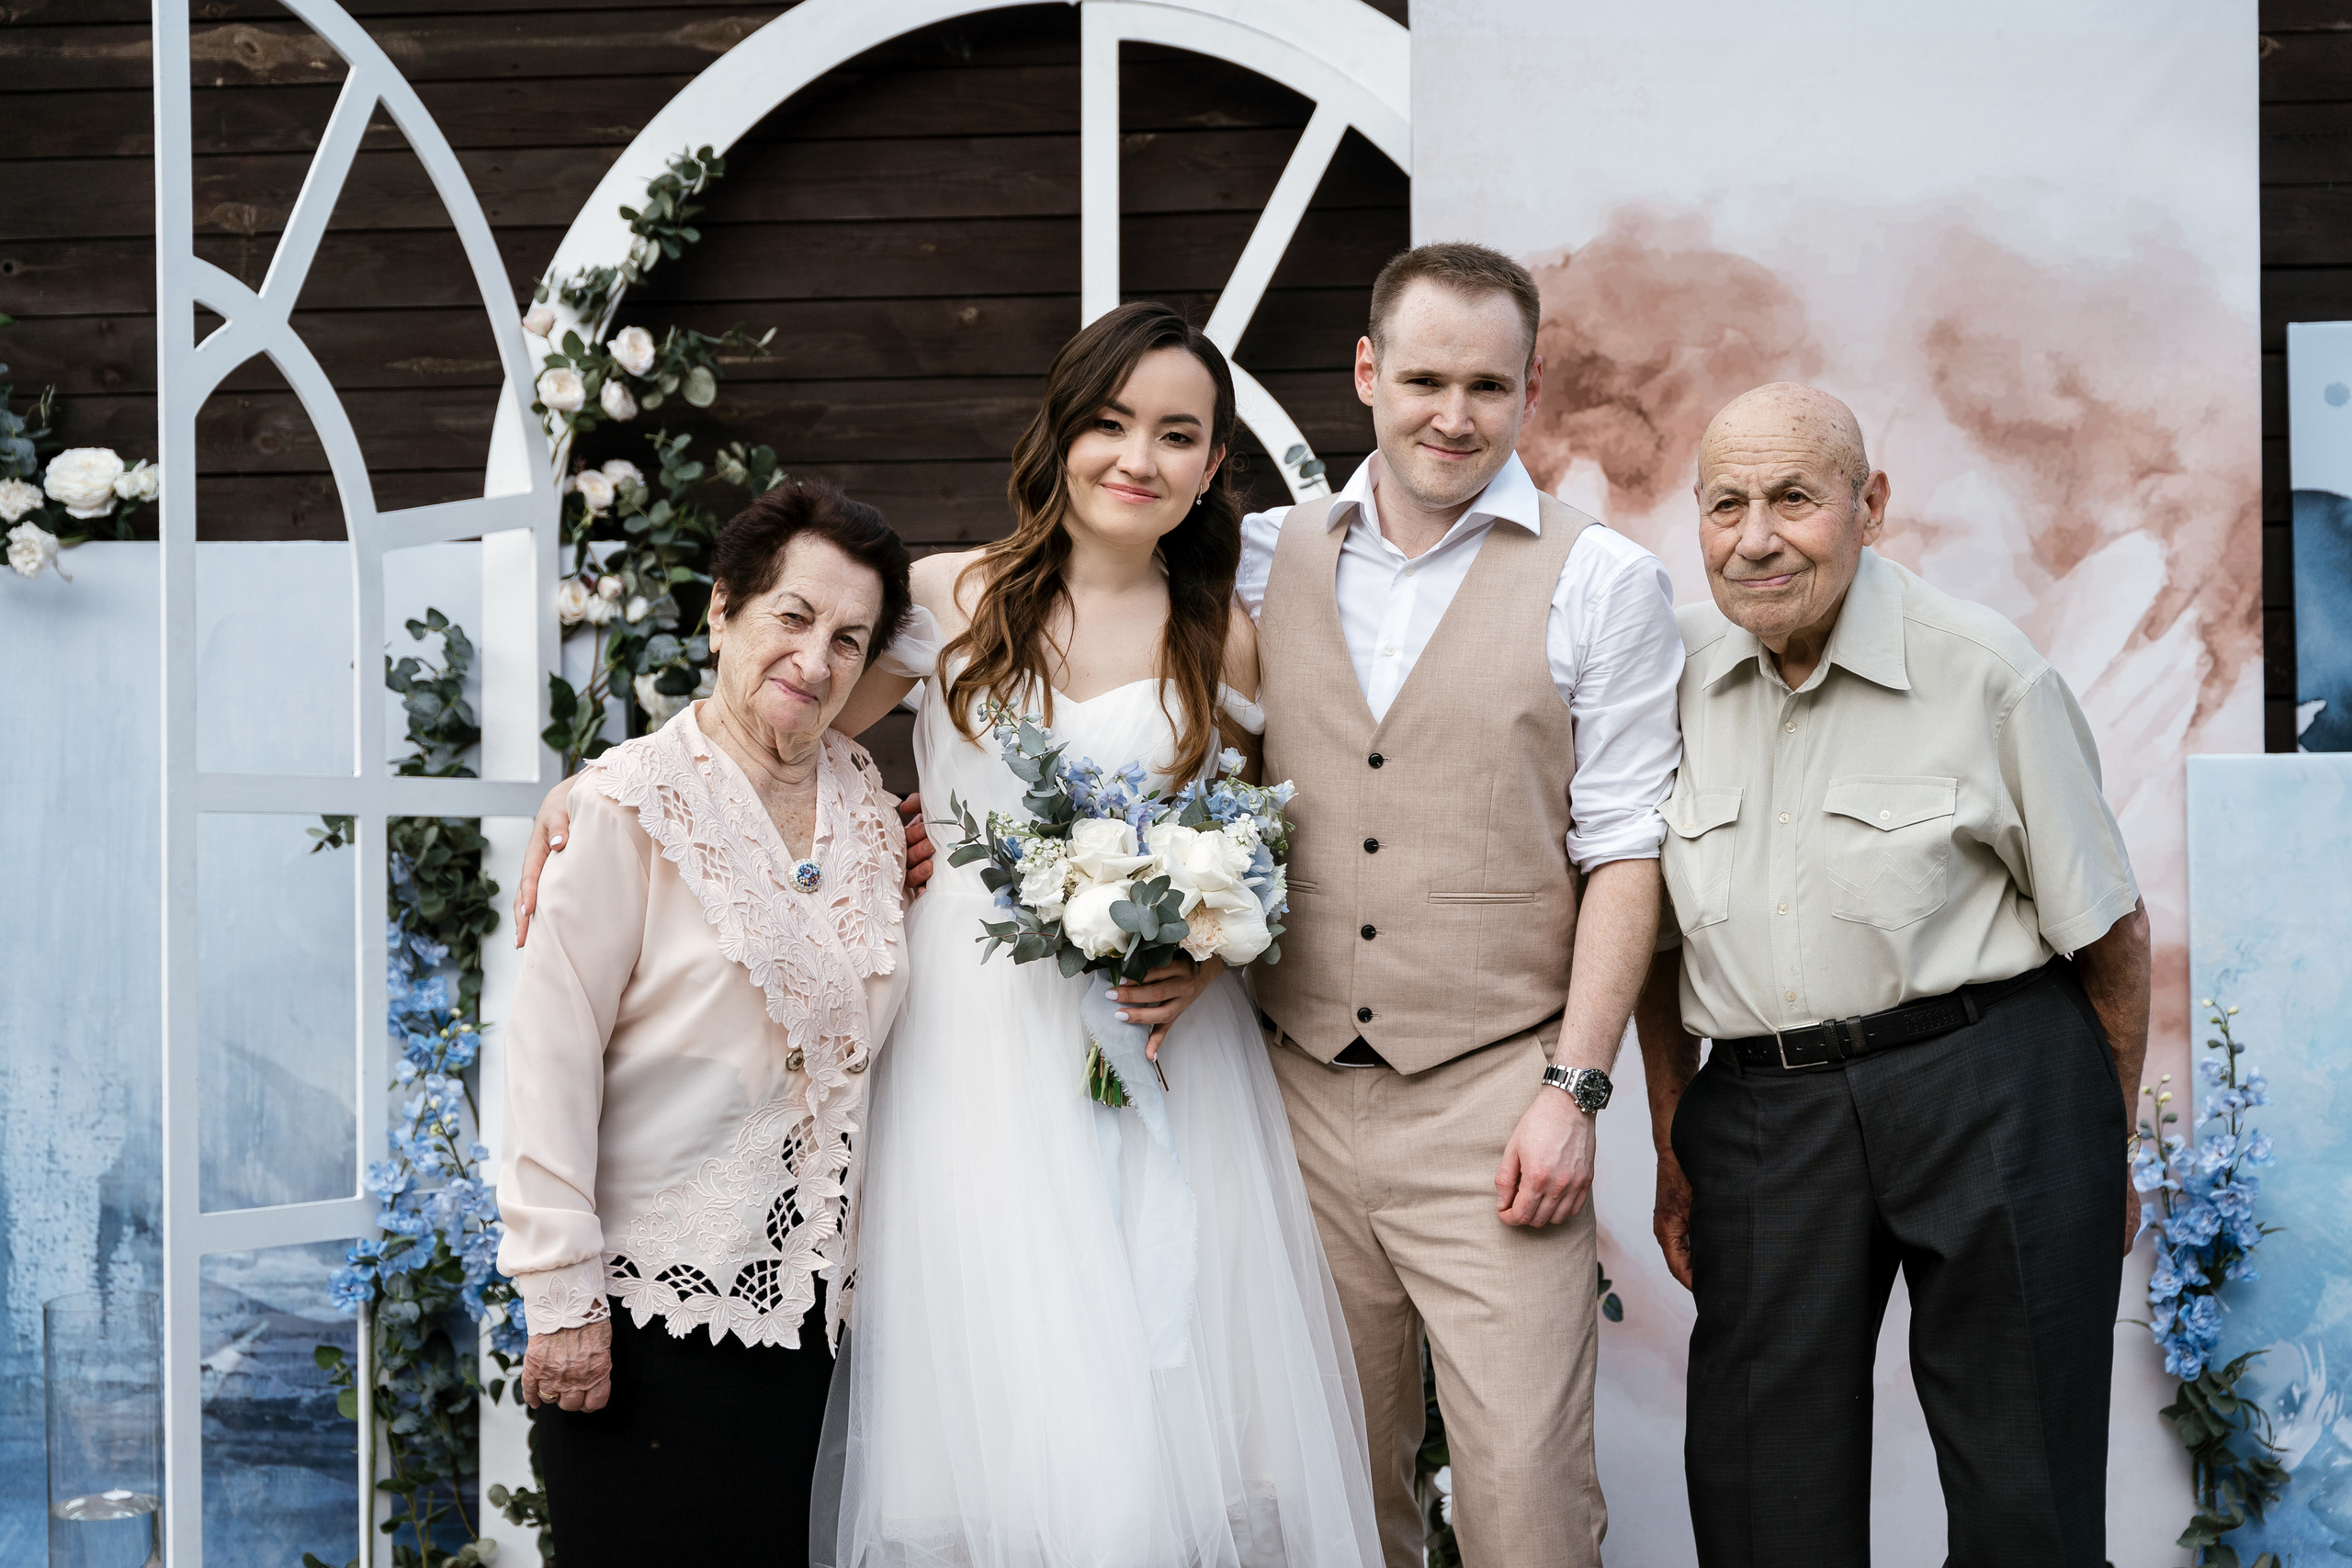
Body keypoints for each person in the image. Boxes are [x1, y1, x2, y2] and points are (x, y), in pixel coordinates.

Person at [520, 302, 1382, 1567]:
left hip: (1149, 1069)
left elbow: (1258, 837)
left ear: (1211, 469)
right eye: (1111, 420)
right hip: (966, 1066)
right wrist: (598, 790)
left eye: (1177, 433)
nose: (1137, 455)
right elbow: (776, 751)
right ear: (1063, 431)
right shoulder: (948, 595)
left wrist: (1205, 941)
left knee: (1152, 1438)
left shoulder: (1226, 639)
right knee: (987, 1427)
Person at [1633, 383, 2151, 1567]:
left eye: (1793, 499)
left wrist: (2101, 1150)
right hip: (1763, 1112)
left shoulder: (1986, 672)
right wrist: (1672, 1140)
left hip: (1995, 1084)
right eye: (1725, 505)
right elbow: (1656, 949)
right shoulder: (1659, 680)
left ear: (1870, 506)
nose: (1754, 537)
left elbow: (2110, 938)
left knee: (2027, 1495)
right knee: (1764, 1493)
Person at [1239, 242, 1686, 1568]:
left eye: (1487, 384)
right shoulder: (1264, 558)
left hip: (1499, 1102)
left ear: (1529, 389)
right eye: (1425, 376)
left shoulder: (1607, 582)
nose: (1453, 413)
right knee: (1330, 1489)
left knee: (1529, 1506)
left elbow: (1625, 851)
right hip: (1291, 1093)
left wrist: (1577, 1088)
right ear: (1368, 371)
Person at [496, 479, 916, 1568]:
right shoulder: (623, 807)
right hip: (646, 1320)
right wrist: (560, 1296)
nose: (815, 660)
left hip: (822, 1329)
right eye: (791, 616)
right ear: (720, 610)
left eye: (848, 638)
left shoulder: (874, 815)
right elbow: (546, 1059)